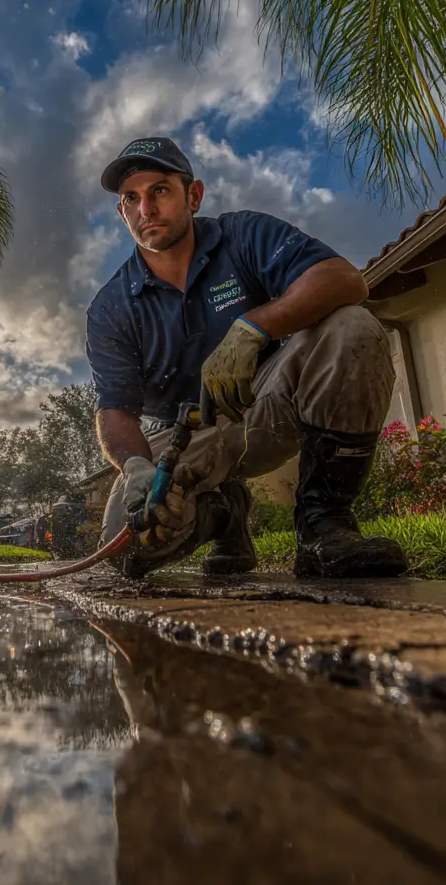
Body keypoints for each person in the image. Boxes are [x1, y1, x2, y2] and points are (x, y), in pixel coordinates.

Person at [85, 136, 406, 579]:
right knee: (129, 545)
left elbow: (344, 280)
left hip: (266, 408)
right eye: (131, 199)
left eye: (159, 190)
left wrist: (253, 326)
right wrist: (137, 467)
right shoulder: (110, 306)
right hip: (182, 439)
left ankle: (323, 526)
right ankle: (223, 514)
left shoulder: (243, 235)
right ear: (122, 213)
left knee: (352, 326)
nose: (146, 209)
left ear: (193, 195)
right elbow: (115, 409)